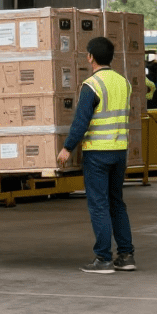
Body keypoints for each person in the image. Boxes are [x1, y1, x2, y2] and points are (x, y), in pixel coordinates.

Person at [58, 37, 135, 274]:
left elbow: (81, 122)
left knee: (99, 204)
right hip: (119, 151)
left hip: (98, 153)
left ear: (90, 57)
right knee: (116, 202)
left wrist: (67, 148)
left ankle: (103, 258)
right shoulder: (124, 83)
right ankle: (126, 255)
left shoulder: (92, 85)